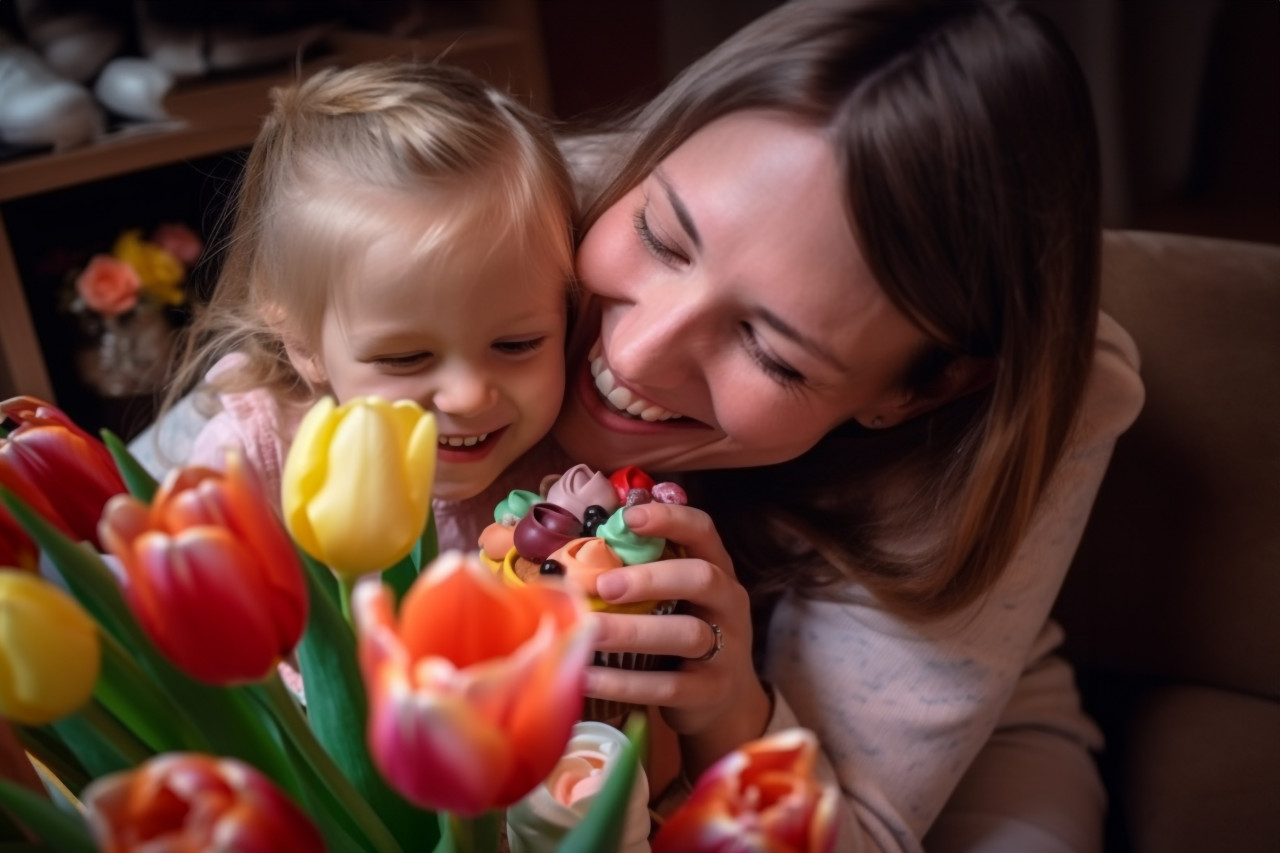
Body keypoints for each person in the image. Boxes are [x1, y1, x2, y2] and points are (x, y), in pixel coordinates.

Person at [536, 1, 1144, 850]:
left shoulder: (1024, 409)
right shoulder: (478, 206)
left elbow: (862, 828)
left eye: (772, 352)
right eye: (660, 236)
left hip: (920, 727)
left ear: (921, 392)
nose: (636, 354)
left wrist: (730, 710)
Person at [166, 59, 577, 519]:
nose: (467, 396)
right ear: (301, 342)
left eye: (517, 344)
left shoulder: (575, 463)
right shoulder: (254, 465)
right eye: (405, 358)